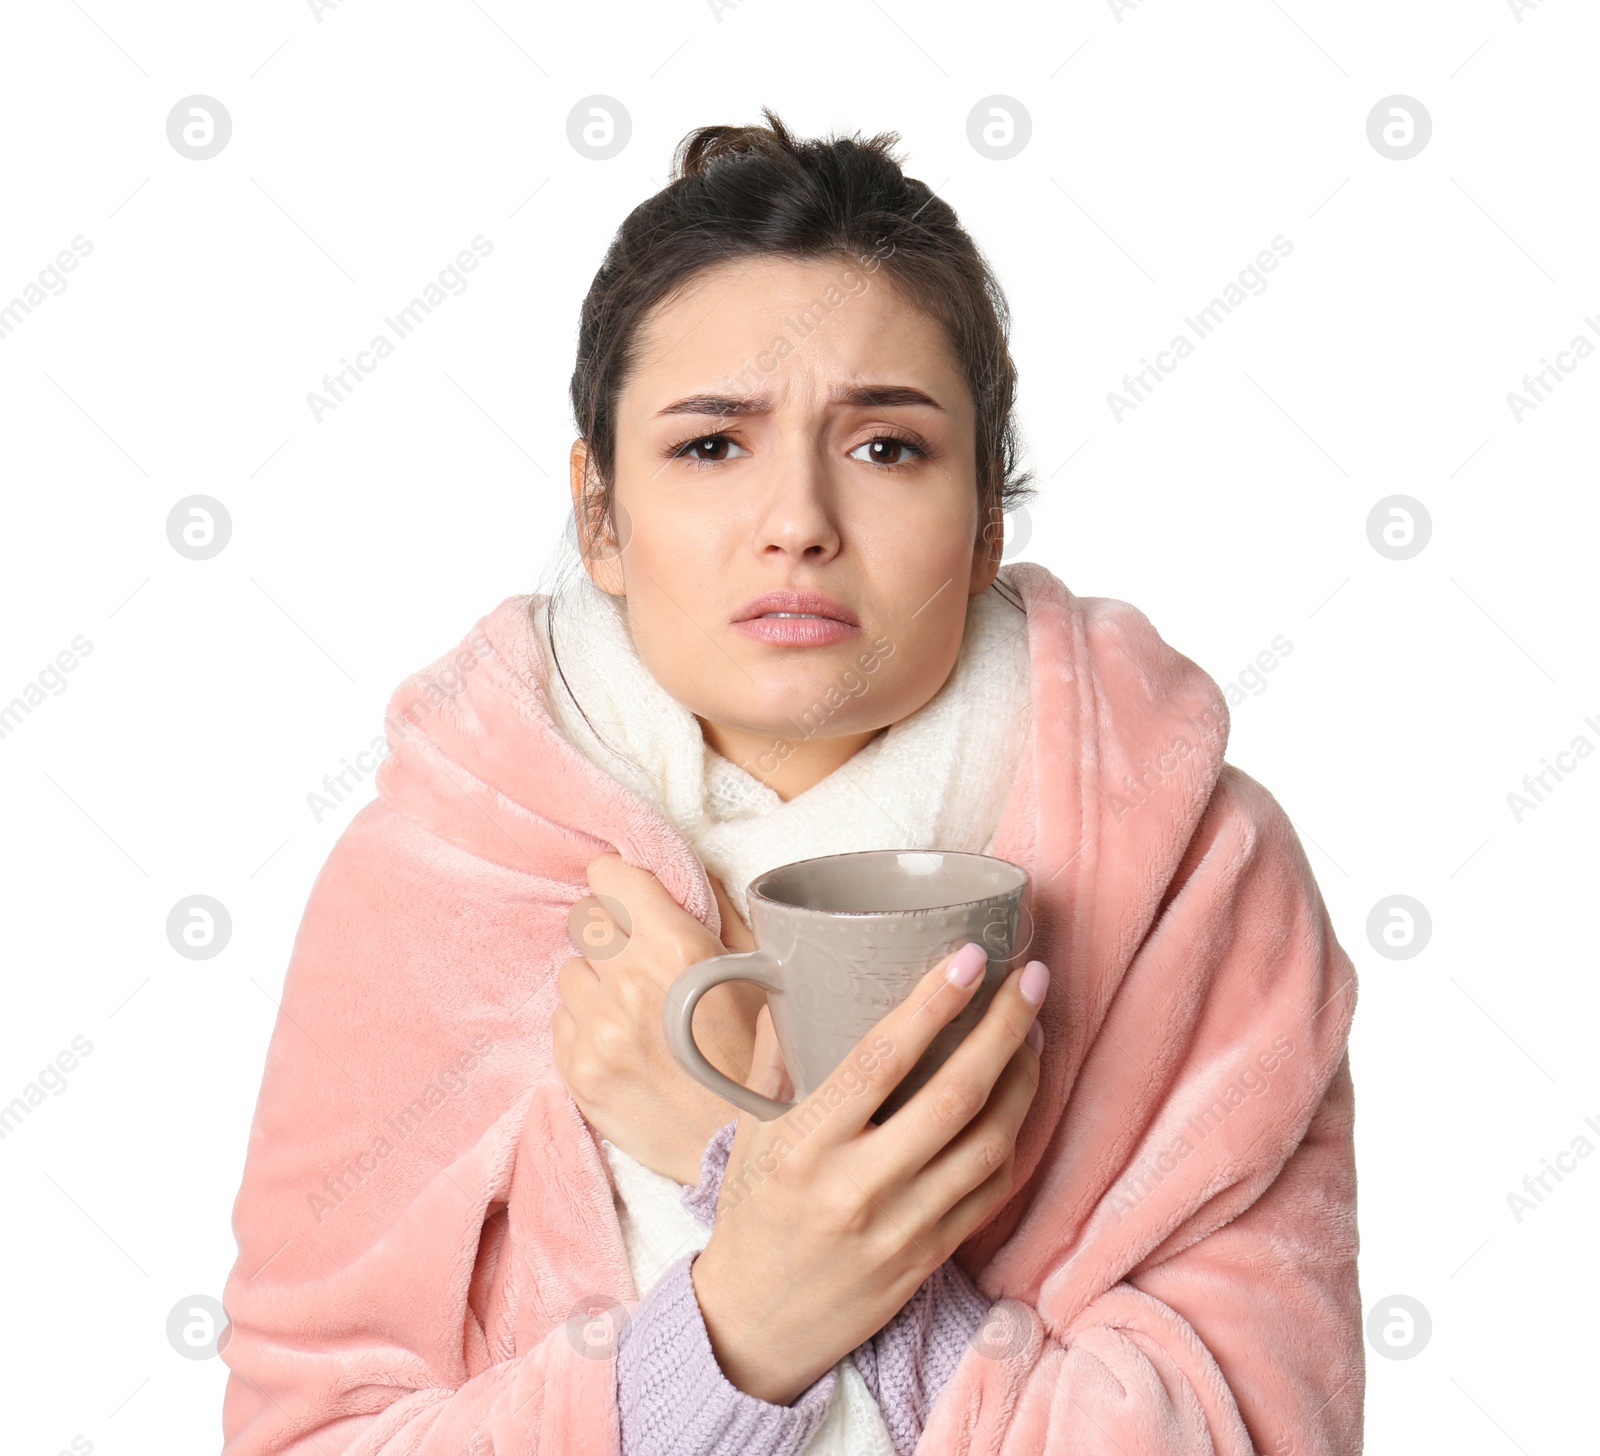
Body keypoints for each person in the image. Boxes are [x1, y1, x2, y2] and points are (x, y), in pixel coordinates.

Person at [219, 109, 1363, 1455]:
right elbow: (305, 1436)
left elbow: (1260, 1433)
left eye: (887, 446)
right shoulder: (445, 877)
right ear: (600, 517)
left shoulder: (1189, 872)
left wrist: (738, 1168)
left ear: (989, 514)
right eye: (712, 446)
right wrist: (732, 1324)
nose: (799, 521)